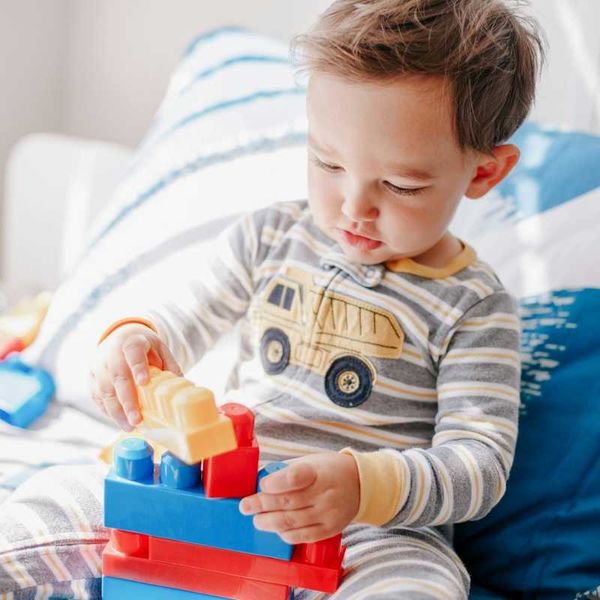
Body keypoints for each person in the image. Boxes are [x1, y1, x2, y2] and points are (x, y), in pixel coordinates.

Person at [90, 1, 545, 597]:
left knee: (416, 588)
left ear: (484, 174)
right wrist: (135, 339)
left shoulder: (474, 307)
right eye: (328, 162)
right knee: (53, 509)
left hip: (375, 531)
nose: (354, 207)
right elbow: (181, 323)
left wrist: (361, 486)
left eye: (401, 184)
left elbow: (478, 469)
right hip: (218, 491)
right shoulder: (269, 237)